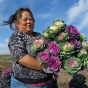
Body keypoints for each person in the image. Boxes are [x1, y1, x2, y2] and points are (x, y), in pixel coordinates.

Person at [2, 7, 58, 88]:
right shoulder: (17, 36)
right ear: (17, 23)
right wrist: (48, 67)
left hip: (48, 83)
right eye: (25, 19)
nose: (28, 22)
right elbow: (21, 58)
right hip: (25, 85)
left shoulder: (39, 35)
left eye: (31, 19)